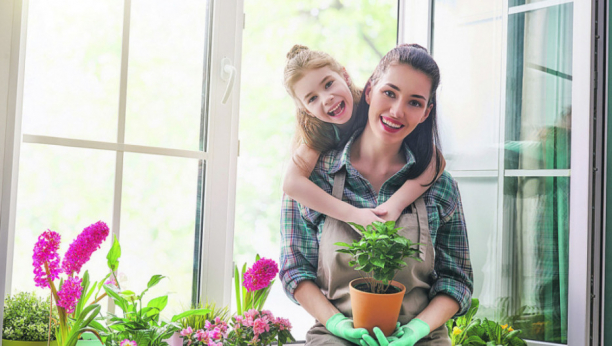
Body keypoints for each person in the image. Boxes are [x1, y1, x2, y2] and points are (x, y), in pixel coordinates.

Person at [280, 44, 473, 346]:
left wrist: (417, 331)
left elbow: (456, 280)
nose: (397, 111)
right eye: (389, 93)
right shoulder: (313, 178)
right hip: (335, 336)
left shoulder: (437, 184)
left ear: (426, 113)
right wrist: (336, 324)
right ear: (369, 90)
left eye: (415, 102)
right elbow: (295, 271)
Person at [282, 45, 444, 228]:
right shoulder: (319, 133)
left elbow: (436, 161)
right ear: (306, 110)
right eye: (312, 98)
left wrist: (395, 205)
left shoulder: (374, 102)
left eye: (328, 84)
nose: (326, 98)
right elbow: (290, 183)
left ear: (345, 75)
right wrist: (354, 215)